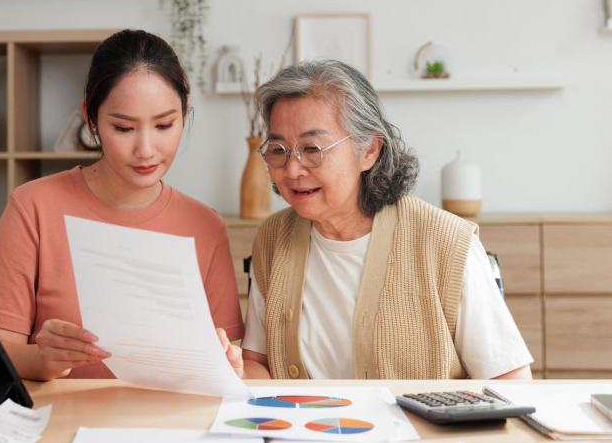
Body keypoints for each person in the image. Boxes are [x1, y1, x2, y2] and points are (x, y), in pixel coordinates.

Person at [222, 60, 533, 381]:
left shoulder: (446, 242)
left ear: (369, 151)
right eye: (278, 150)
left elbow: (510, 382)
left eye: (311, 148)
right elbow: (262, 366)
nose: (291, 170)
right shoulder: (274, 237)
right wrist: (230, 369)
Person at [0, 29, 244, 381]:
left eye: (164, 125)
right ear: (91, 118)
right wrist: (41, 358)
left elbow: (227, 362)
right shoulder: (33, 207)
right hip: (60, 415)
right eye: (124, 128)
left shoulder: (206, 226)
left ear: (185, 110)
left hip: (170, 415)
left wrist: (229, 365)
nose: (146, 150)